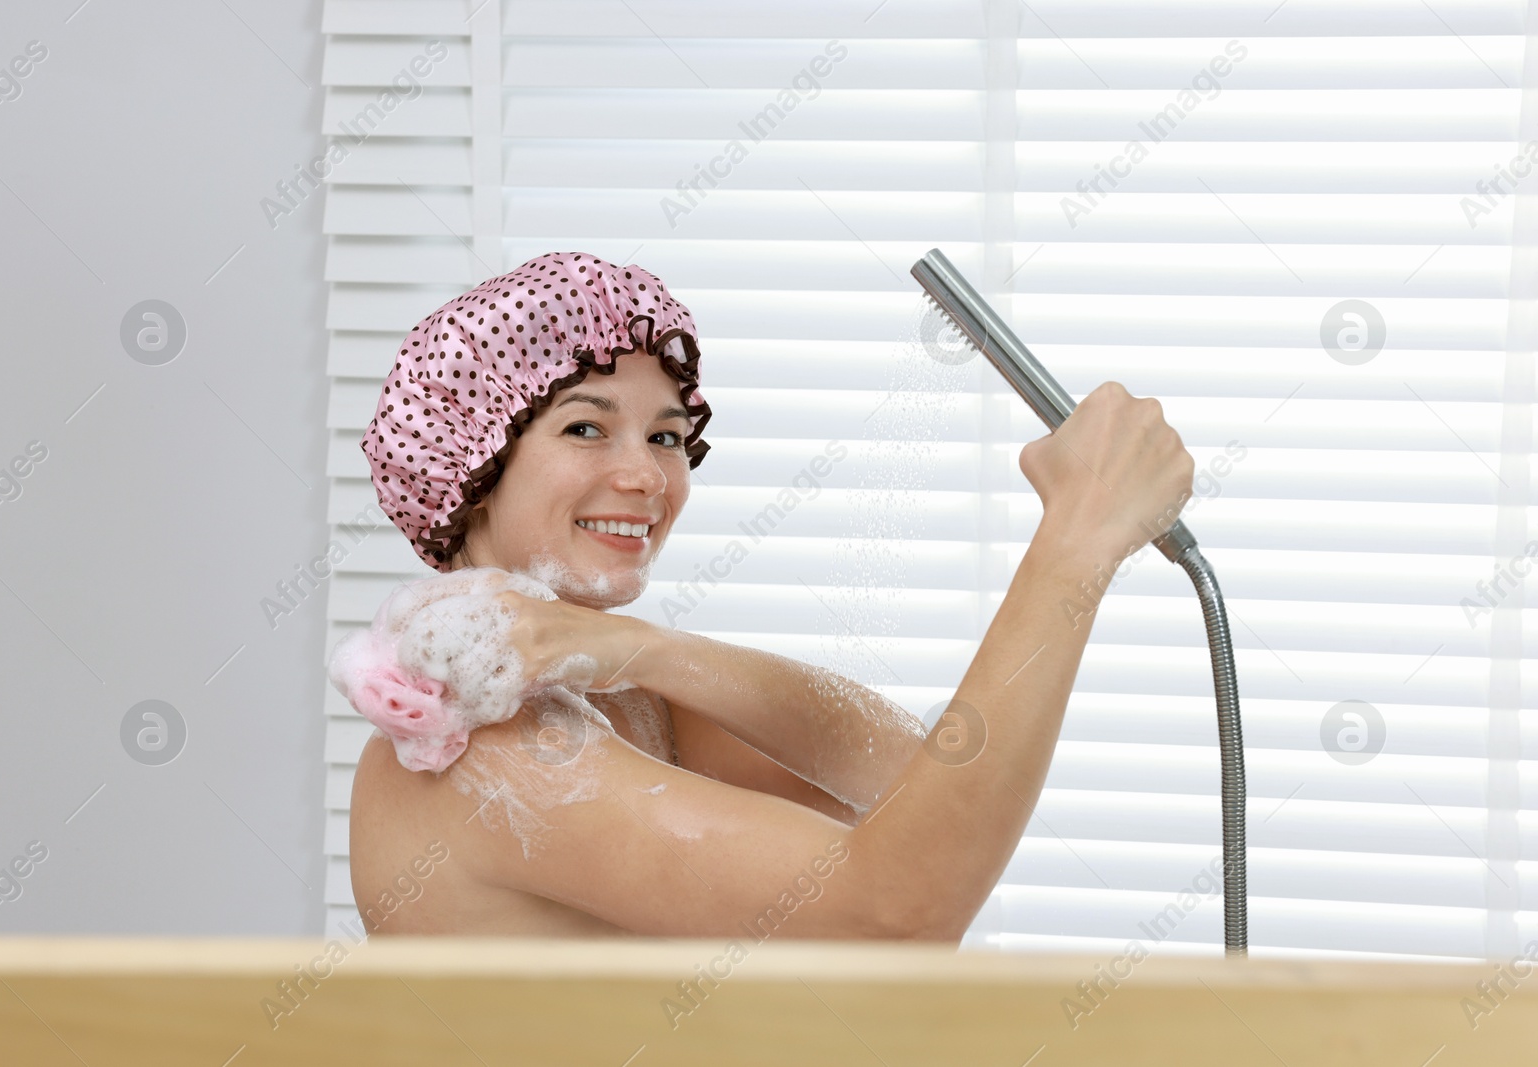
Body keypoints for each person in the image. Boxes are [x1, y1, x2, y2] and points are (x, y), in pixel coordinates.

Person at [346, 251, 1194, 940]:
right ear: (473, 470)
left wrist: (651, 649)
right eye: (586, 426)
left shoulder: (620, 691)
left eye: (668, 435)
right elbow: (896, 911)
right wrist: (1073, 545)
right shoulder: (489, 751)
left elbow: (911, 779)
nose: (646, 475)